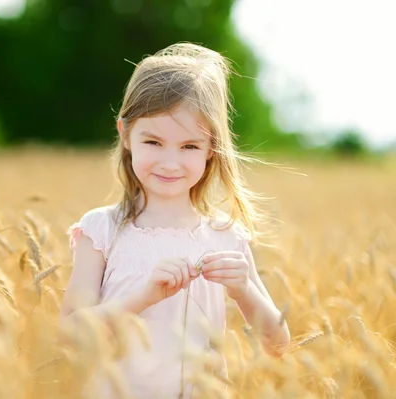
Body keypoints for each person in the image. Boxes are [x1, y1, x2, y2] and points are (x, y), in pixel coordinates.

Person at [58, 42, 291, 398]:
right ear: (125, 134)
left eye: (189, 147)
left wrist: (244, 290)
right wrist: (144, 296)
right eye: (153, 141)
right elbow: (71, 334)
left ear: (211, 148)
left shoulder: (226, 235)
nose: (170, 162)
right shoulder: (101, 231)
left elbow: (277, 343)